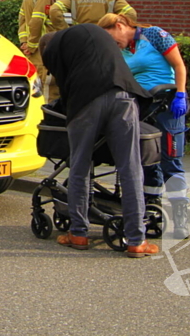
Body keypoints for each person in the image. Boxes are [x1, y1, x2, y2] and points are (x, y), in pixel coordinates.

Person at [39, 25, 158, 257]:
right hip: (123, 95)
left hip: (86, 103)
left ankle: (79, 233)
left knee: (79, 167)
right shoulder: (93, 32)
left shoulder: (54, 49)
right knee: (130, 168)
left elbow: (64, 91)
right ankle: (136, 240)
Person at [98, 13, 189, 238]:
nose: (112, 43)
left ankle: (180, 217)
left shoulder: (155, 35)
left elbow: (179, 65)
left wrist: (180, 93)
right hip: (141, 107)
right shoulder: (121, 50)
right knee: (147, 159)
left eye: (111, 37)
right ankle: (151, 209)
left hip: (168, 106)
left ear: (119, 26)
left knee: (171, 160)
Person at [18, 0, 68, 98]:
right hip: (42, 47)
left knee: (33, 83)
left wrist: (24, 42)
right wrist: (33, 45)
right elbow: (37, 20)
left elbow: (22, 18)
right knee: (48, 85)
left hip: (31, 48)